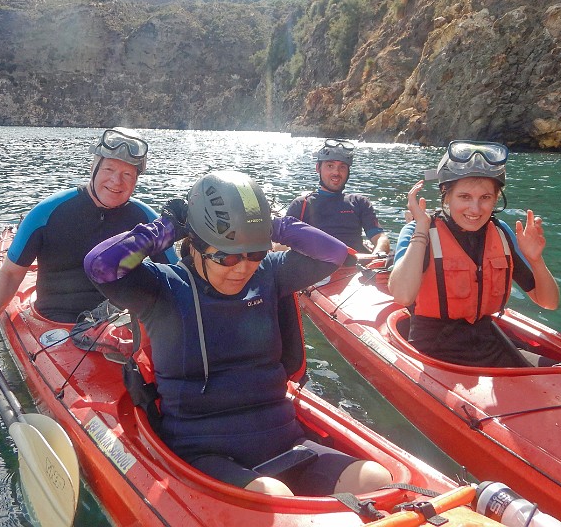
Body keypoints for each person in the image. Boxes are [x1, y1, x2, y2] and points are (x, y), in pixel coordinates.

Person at [84, 170, 392, 496]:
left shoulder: (269, 273)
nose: (243, 268)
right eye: (227, 256)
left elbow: (333, 253)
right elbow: (100, 266)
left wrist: (268, 225)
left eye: (254, 253)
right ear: (197, 246)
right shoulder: (162, 287)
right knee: (274, 495)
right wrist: (169, 227)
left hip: (285, 438)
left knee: (375, 479)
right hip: (203, 448)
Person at [0, 128, 174, 366]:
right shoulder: (48, 213)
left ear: (136, 179)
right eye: (109, 169)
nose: (116, 181)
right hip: (55, 323)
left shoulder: (146, 218)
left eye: (127, 174)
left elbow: (180, 279)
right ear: (93, 167)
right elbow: (10, 274)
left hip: (120, 326)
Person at [388, 140, 560, 367]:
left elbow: (549, 302)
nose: (475, 209)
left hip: (487, 343)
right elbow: (402, 295)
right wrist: (421, 227)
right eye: (464, 197)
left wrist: (536, 261)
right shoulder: (419, 230)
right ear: (446, 195)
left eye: (485, 198)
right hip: (433, 352)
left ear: (496, 198)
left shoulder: (501, 233)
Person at [286, 139, 390, 255]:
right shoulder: (302, 205)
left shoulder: (360, 202)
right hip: (315, 268)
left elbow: (380, 237)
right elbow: (282, 243)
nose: (336, 172)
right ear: (318, 168)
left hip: (356, 267)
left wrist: (379, 253)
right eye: (330, 166)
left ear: (348, 171)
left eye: (342, 167)